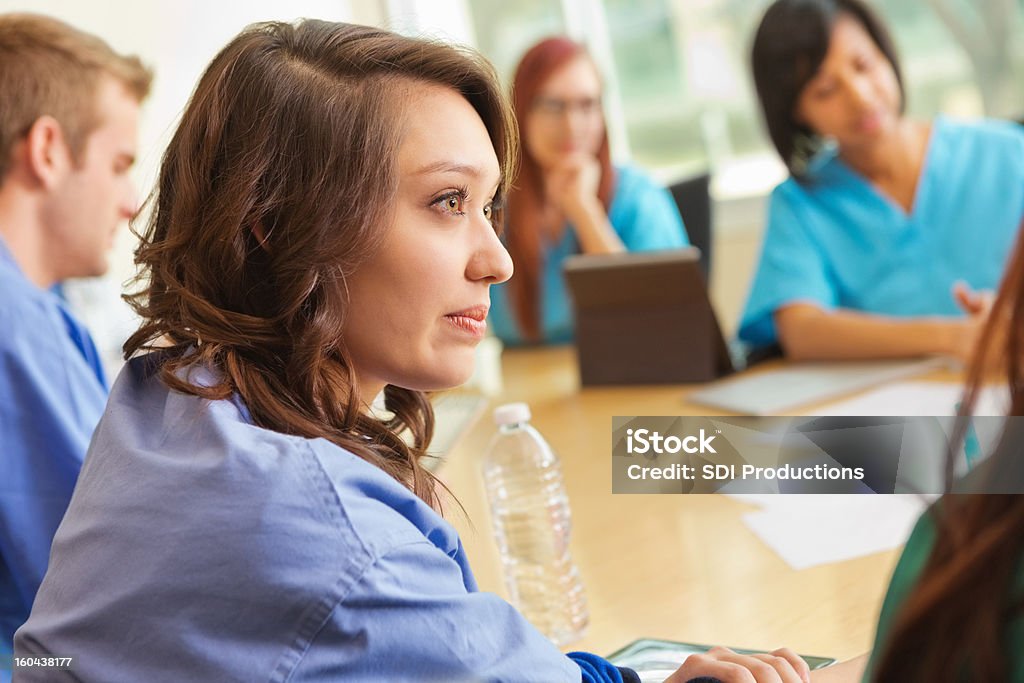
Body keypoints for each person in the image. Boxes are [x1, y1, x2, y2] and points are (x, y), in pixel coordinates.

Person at [13, 20, 810, 683]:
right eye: (446, 202)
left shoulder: (163, 390)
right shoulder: (335, 539)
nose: (493, 257)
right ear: (278, 226)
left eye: (488, 204)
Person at [738, 0, 1024, 361]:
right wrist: (953, 336)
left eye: (864, 65)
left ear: (886, 54)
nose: (860, 97)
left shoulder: (1008, 154)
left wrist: (1007, 322)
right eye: (826, 90)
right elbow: (801, 330)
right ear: (796, 112)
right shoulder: (800, 202)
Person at [0, 13, 150, 654]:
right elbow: (106, 597)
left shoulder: (43, 311)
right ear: (48, 150)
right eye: (119, 165)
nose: (131, 200)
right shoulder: (16, 327)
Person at [488, 36, 689, 345]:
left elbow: (663, 323)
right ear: (521, 111)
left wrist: (585, 211)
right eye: (553, 106)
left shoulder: (638, 196)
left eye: (587, 105)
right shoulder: (494, 207)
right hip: (533, 385)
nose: (572, 124)